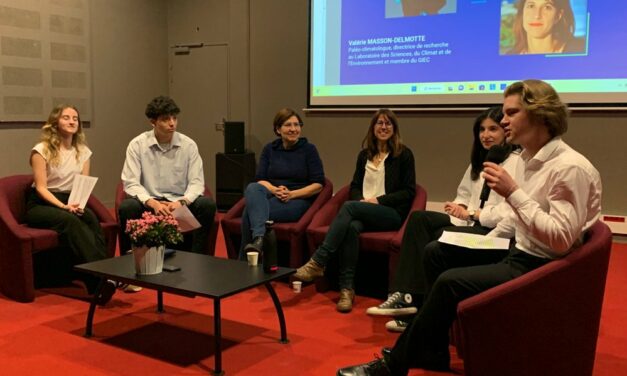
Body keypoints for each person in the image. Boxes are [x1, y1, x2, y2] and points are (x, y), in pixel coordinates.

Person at [337, 79, 602, 375]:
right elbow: (516, 220)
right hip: (518, 251)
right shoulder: (529, 161)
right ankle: (432, 351)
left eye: (511, 113)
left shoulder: (569, 167)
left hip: (539, 267)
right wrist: (487, 239)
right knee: (436, 253)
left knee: (449, 281)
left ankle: (393, 365)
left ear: (540, 115)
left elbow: (560, 240)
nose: (503, 120)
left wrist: (513, 192)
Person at [365, 106, 520, 332]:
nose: (486, 135)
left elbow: (509, 212)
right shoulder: (479, 161)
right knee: (420, 219)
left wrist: (473, 214)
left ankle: (419, 309)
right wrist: (460, 207)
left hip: (493, 231)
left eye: (493, 129)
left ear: (505, 131)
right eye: (482, 130)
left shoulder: (515, 162)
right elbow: (465, 195)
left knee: (437, 240)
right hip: (470, 222)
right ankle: (406, 296)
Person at [294, 109, 416, 313]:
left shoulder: (404, 154)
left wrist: (377, 201)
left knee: (349, 208)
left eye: (388, 124)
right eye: (379, 123)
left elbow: (408, 191)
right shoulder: (364, 155)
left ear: (394, 129)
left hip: (391, 214)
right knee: (350, 227)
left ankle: (319, 260)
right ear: (373, 128)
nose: (383, 127)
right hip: (363, 211)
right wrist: (361, 201)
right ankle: (347, 289)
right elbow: (355, 185)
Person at [24, 105, 116, 305]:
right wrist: (63, 207)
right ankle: (102, 278)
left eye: (75, 118)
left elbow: (82, 183)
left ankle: (103, 277)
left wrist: (79, 203)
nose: (72, 121)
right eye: (66, 117)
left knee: (91, 219)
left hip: (70, 200)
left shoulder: (82, 151)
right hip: (42, 204)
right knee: (70, 221)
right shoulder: (41, 150)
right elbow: (41, 188)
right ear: (56, 122)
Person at [118, 96, 216, 254]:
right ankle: (133, 259)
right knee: (127, 207)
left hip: (179, 205)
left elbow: (197, 183)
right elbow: (131, 183)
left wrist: (181, 202)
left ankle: (197, 259)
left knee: (207, 205)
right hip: (149, 205)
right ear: (153, 122)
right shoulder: (137, 145)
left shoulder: (188, 145)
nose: (172, 123)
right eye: (165, 119)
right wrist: (153, 203)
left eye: (174, 118)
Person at [239, 108, 325, 259]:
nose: (293, 129)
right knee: (253, 187)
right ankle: (258, 242)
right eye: (288, 125)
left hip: (298, 199)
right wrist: (274, 190)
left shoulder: (309, 150)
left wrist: (291, 194)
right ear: (278, 129)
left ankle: (246, 259)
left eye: (297, 125)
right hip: (273, 194)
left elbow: (318, 184)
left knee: (249, 212)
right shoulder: (270, 149)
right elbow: (260, 179)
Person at [508, 0, 585, 55]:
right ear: (522, 12)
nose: (537, 15)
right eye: (531, 6)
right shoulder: (510, 56)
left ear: (558, 16)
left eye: (547, 7)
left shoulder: (580, 49)